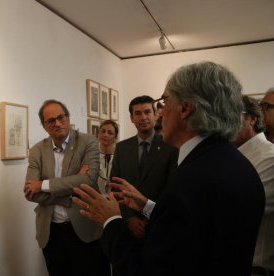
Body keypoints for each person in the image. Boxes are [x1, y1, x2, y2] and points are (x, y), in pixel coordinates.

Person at [72, 61, 265, 275]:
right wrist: (146, 205)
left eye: (163, 102)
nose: (159, 113)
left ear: (185, 108)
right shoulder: (237, 165)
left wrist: (111, 220)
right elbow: (195, 228)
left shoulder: (191, 181)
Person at [23, 99, 110, 276]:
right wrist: (74, 184)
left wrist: (44, 185)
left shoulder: (88, 142)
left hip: (85, 229)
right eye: (51, 120)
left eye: (61, 117)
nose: (57, 123)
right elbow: (30, 193)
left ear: (68, 118)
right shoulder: (37, 151)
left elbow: (89, 179)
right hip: (51, 233)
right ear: (44, 125)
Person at [110, 95, 178, 238]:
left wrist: (149, 217)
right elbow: (115, 185)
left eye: (147, 112)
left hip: (160, 223)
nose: (143, 117)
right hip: (128, 226)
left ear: (156, 114)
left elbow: (172, 188)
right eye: (138, 113)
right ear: (131, 118)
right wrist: (129, 218)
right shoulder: (122, 148)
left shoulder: (171, 148)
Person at [232, 95, 274, 276]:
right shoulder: (233, 157)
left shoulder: (269, 157)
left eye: (233, 115)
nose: (226, 123)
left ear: (251, 119)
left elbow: (235, 212)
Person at [97, 120, 119, 194]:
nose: (105, 135)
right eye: (103, 131)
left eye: (110, 133)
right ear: (98, 134)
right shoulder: (90, 156)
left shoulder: (121, 158)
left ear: (115, 138)